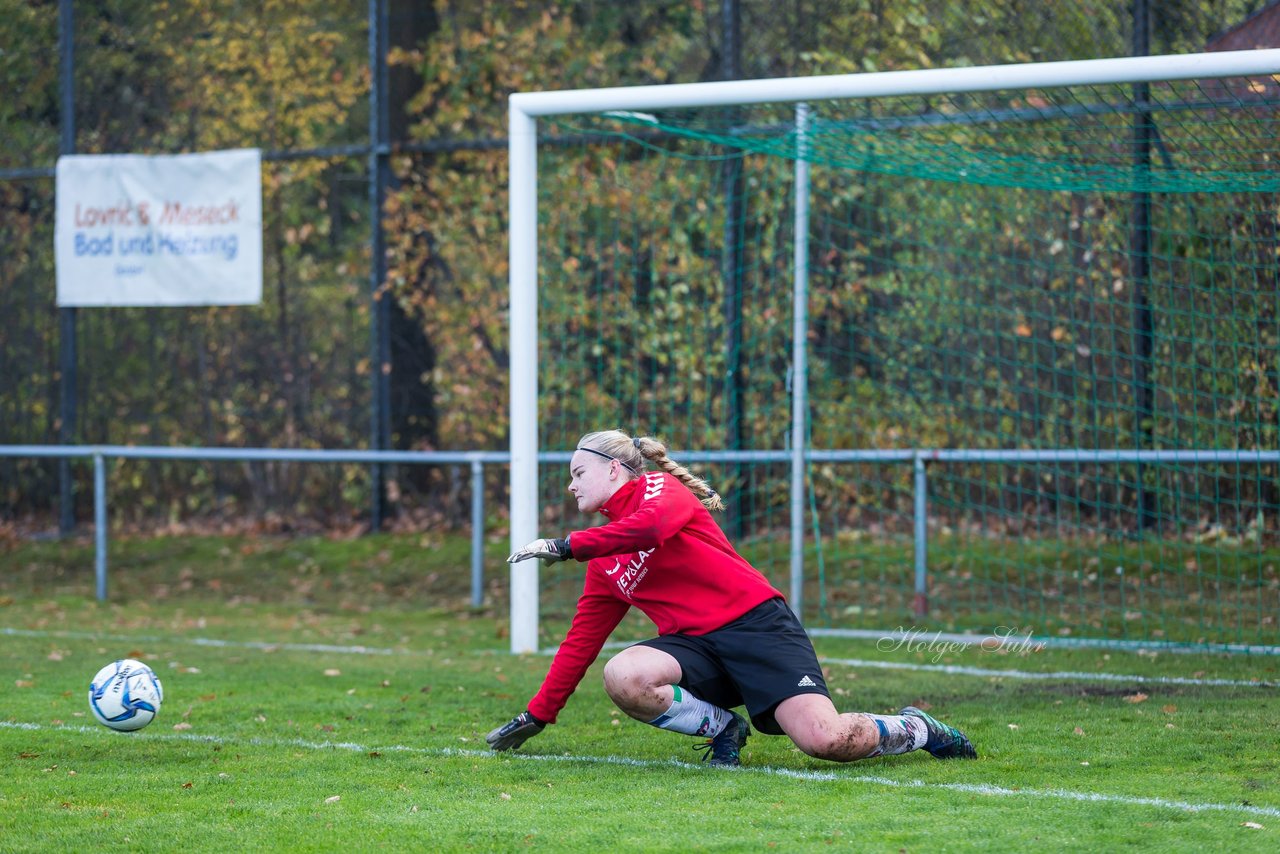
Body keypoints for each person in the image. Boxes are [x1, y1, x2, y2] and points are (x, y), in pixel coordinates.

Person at [487, 429, 977, 767]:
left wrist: (564, 545)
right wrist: (538, 714)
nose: (571, 485)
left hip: (756, 627)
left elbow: (650, 529)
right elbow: (581, 642)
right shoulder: (604, 559)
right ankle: (724, 729)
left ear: (615, 470)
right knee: (623, 674)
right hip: (697, 648)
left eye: (578, 473)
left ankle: (920, 730)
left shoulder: (661, 490)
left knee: (826, 741)